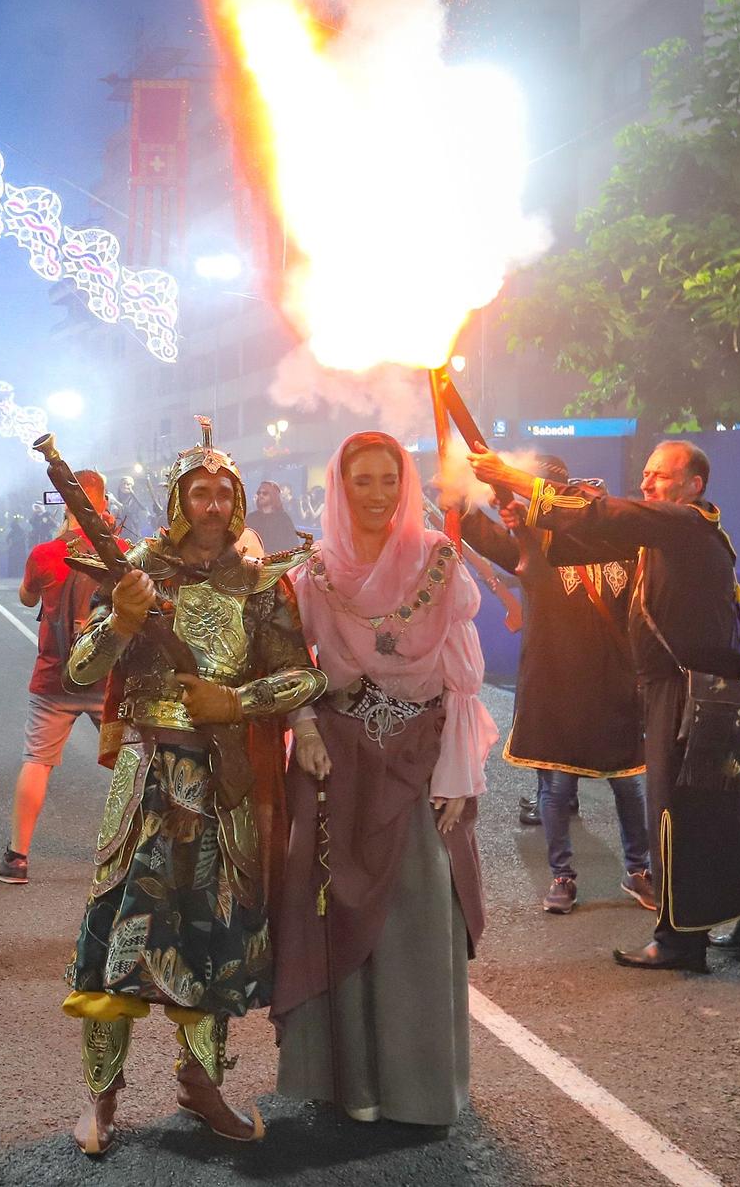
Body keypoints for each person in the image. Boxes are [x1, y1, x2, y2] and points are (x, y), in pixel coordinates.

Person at [59, 421, 325, 1155]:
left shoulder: (260, 580)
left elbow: (304, 673)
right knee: (118, 932)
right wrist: (123, 619)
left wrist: (235, 703)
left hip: (223, 779)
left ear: (237, 501)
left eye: (223, 492)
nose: (212, 503)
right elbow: (80, 670)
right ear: (179, 499)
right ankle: (102, 1101)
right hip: (148, 777)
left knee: (216, 937)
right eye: (199, 490)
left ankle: (204, 1086)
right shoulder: (139, 568)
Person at [472, 441, 740, 972]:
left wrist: (518, 480)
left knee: (672, 812)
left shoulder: (683, 524)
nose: (647, 484)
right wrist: (524, 514)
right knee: (718, 810)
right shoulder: (666, 535)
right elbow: (566, 547)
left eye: (660, 476)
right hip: (698, 690)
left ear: (694, 486)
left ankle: (678, 939)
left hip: (685, 691)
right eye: (645, 474)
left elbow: (600, 512)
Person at [272, 430, 495, 1128]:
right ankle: (350, 1084)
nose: (376, 494)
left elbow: (462, 676)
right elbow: (290, 664)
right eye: (361, 480)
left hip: (419, 757)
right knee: (333, 910)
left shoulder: (437, 560)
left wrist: (460, 771)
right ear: (340, 486)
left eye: (388, 480)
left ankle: (418, 1087)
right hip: (337, 761)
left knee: (420, 910)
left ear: (407, 485)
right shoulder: (315, 572)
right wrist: (303, 729)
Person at [457, 458, 651, 914]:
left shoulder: (630, 549)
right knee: (556, 790)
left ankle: (639, 870)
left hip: (615, 683)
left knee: (629, 787)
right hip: (556, 684)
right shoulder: (536, 545)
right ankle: (562, 875)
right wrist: (463, 505)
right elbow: (484, 537)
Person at [0, 469, 122, 886]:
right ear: (103, 503)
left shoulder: (45, 554)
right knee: (133, 764)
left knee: (37, 762)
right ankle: (143, 851)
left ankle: (17, 858)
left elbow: (27, 598)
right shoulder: (121, 551)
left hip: (53, 677)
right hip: (105, 679)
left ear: (63, 503)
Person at [244, 480, 303, 555]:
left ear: (273, 495)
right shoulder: (252, 517)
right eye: (259, 493)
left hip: (276, 562)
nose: (260, 496)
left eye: (265, 493)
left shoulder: (283, 518)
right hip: (254, 561)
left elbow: (292, 544)